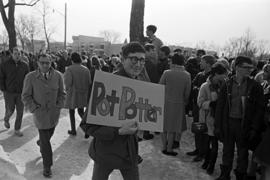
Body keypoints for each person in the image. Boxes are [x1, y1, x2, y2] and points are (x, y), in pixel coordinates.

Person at [84, 42, 148, 180]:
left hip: (129, 153)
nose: (138, 64)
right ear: (123, 59)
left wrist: (144, 126)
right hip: (105, 153)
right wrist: (118, 131)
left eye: (142, 60)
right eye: (134, 59)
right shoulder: (106, 84)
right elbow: (87, 125)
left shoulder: (142, 85)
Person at [215, 56, 265, 180]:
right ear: (236, 67)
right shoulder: (227, 84)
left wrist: (254, 128)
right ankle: (224, 175)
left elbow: (259, 110)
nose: (249, 70)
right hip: (228, 122)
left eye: (251, 67)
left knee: (242, 154)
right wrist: (218, 125)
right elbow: (220, 107)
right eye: (246, 67)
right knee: (227, 150)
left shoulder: (255, 86)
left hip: (244, 125)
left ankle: (240, 176)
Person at [21, 54, 66, 178]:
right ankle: (47, 166)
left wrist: (59, 106)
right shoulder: (30, 77)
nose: (45, 65)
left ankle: (41, 142)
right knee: (46, 141)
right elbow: (25, 96)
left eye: (47, 62)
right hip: (40, 115)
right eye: (42, 62)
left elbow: (62, 93)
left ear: (51, 63)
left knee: (47, 135)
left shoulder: (58, 76)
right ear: (38, 63)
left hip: (53, 114)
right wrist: (34, 108)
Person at [197, 63, 228, 175]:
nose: (225, 76)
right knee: (206, 144)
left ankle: (211, 165)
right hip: (206, 119)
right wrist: (211, 104)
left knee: (214, 145)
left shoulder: (224, 86)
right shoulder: (205, 86)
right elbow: (199, 103)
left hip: (217, 121)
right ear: (216, 74)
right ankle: (206, 160)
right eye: (223, 74)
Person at [159, 53, 191, 156]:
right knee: (173, 127)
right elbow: (187, 92)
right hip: (178, 103)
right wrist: (185, 101)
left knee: (163, 126)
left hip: (164, 101)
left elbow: (160, 86)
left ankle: (163, 147)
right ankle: (169, 149)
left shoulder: (166, 73)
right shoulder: (187, 75)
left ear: (173, 61)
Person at [186, 55, 216, 162]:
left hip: (207, 109)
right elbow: (192, 86)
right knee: (197, 129)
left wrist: (199, 89)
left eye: (202, 61)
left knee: (205, 131)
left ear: (208, 63)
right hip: (197, 106)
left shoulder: (213, 77)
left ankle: (203, 152)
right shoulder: (199, 74)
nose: (200, 63)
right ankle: (197, 149)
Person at [0, 47, 29, 137]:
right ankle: (6, 118)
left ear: (21, 55)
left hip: (21, 92)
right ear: (12, 54)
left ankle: (17, 129)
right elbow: (1, 77)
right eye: (15, 54)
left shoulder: (25, 65)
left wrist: (27, 89)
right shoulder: (5, 64)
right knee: (10, 110)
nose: (17, 55)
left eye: (19, 54)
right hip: (9, 92)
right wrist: (3, 88)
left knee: (20, 112)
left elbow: (27, 79)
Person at [64, 52, 92, 136]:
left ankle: (73, 130)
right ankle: (87, 129)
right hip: (83, 93)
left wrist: (66, 89)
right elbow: (89, 82)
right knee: (81, 112)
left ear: (72, 60)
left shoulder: (69, 69)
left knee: (71, 112)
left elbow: (68, 83)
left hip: (73, 94)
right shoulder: (86, 69)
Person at [253, 64, 270, 180]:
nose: (263, 73)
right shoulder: (263, 85)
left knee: (266, 161)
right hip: (260, 125)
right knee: (260, 159)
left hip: (267, 127)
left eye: (266, 71)